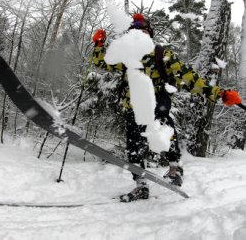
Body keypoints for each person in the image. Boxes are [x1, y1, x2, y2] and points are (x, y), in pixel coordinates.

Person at [92, 13, 242, 202]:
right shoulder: (126, 58)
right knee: (134, 146)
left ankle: (174, 168)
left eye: (144, 30)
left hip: (157, 101)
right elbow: (100, 63)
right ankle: (141, 185)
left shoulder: (162, 55)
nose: (139, 34)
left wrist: (219, 94)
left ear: (150, 34)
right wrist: (98, 45)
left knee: (162, 119)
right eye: (135, 31)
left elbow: (189, 78)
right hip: (134, 107)